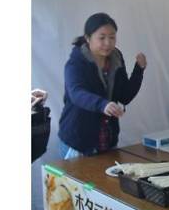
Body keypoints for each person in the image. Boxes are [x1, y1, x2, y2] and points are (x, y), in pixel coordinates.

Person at [58, 13, 147, 159]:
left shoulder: (116, 58)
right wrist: (102, 104)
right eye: (102, 37)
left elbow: (125, 96)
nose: (108, 43)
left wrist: (139, 70)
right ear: (88, 38)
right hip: (78, 142)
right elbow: (76, 93)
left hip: (107, 141)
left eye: (112, 37)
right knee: (78, 182)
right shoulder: (76, 63)